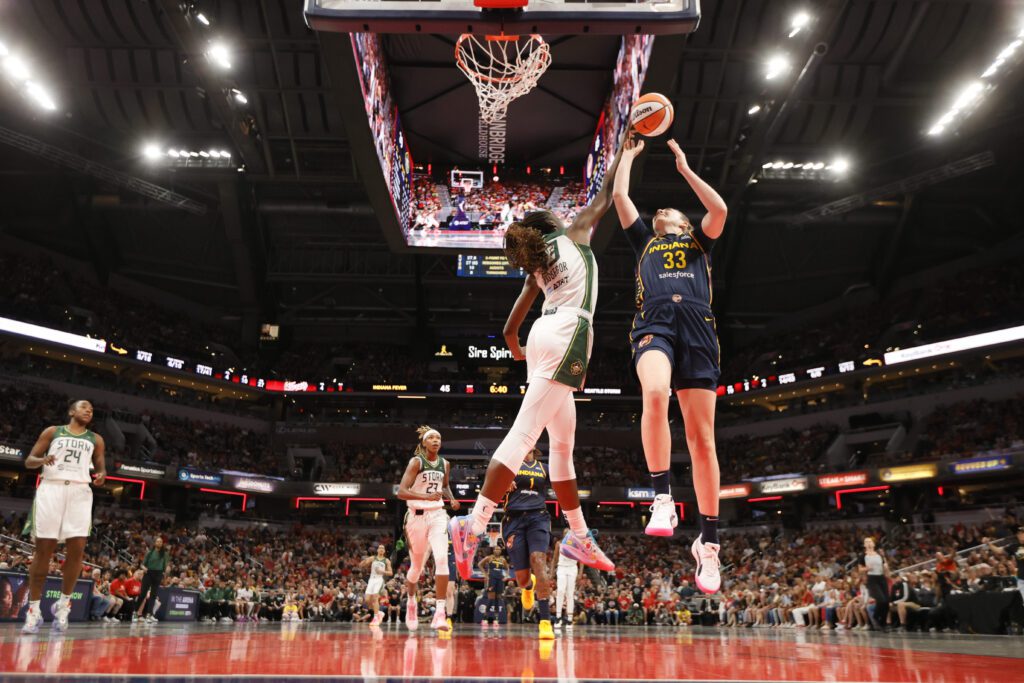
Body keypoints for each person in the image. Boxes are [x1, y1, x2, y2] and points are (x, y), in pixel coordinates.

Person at [449, 138, 630, 581]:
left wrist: (518, 348)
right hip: (567, 331)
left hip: (544, 334)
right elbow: (607, 194)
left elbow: (510, 329)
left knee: (562, 446)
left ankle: (578, 534)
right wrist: (627, 152)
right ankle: (473, 526)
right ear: (553, 222)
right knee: (524, 434)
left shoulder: (537, 263)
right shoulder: (573, 233)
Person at [612, 136, 728, 594]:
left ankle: (709, 543)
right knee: (656, 393)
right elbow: (620, 196)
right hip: (656, 324)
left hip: (698, 329)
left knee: (703, 441)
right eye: (658, 211)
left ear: (683, 223)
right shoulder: (644, 241)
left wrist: (684, 169)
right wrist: (627, 155)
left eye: (670, 211)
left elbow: (719, 209)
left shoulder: (700, 241)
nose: (660, 210)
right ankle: (661, 497)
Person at [21, 399, 106, 633]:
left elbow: (101, 467)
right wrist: (42, 460)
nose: (89, 410)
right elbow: (29, 461)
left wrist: (101, 475)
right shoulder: (53, 432)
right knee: (44, 551)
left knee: (77, 550)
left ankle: (63, 605)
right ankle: (33, 610)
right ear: (71, 411)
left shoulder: (96, 439)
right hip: (52, 488)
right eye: (84, 407)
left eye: (91, 409)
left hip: (79, 491)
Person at [396, 425, 459, 632]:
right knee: (416, 568)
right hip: (416, 516)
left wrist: (451, 498)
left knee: (441, 559)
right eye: (431, 438)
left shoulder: (445, 464)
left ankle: (440, 614)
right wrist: (425, 497)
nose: (435, 440)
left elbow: (444, 485)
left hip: (438, 514)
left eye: (438, 438)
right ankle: (411, 602)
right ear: (424, 443)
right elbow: (402, 492)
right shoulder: (416, 462)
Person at [500, 447, 555, 639]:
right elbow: (491, 488)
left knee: (538, 560)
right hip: (513, 520)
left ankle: (545, 622)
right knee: (522, 579)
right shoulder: (508, 466)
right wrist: (502, 485)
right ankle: (529, 587)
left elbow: (564, 481)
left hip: (538, 517)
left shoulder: (545, 467)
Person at [136, 536, 169, 623]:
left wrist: (164, 576)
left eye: (161, 542)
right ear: (154, 543)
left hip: (158, 574)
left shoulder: (164, 554)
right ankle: (135, 612)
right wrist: (144, 568)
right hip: (148, 573)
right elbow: (142, 565)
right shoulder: (149, 553)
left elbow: (164, 567)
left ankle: (149, 615)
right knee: (143, 594)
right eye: (158, 541)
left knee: (153, 595)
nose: (159, 543)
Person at [358, 544, 393, 627]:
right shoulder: (373, 558)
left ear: (384, 551)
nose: (381, 549)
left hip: (379, 580)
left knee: (375, 597)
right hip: (371, 580)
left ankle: (376, 617)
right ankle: (379, 612)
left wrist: (382, 571)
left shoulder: (386, 560)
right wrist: (363, 562)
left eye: (383, 548)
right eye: (380, 548)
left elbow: (391, 573)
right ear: (377, 550)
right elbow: (361, 565)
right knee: (367, 600)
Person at [861, 537, 890, 630]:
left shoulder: (879, 554)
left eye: (870, 541)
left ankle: (883, 623)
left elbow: (885, 566)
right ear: (864, 545)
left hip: (881, 577)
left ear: (874, 544)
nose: (868, 543)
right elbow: (860, 569)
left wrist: (884, 558)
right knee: (881, 600)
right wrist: (866, 568)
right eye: (866, 542)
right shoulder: (863, 555)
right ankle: (875, 616)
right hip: (872, 578)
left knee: (886, 602)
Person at [553, 530, 579, 630]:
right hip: (562, 568)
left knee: (570, 594)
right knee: (560, 591)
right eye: (565, 533)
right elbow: (555, 558)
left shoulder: (576, 544)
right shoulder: (559, 543)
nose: (567, 534)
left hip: (572, 568)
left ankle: (569, 619)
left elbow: (581, 558)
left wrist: (580, 572)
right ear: (563, 534)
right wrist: (551, 572)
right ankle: (558, 617)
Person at [478, 545, 508, 628]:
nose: (498, 550)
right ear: (493, 550)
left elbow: (507, 568)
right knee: (491, 599)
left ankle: (496, 619)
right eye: (496, 549)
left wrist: (506, 576)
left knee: (498, 599)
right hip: (492, 579)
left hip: (500, 580)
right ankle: (485, 618)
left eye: (499, 549)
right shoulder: (489, 558)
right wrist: (485, 574)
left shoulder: (503, 559)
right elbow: (480, 564)